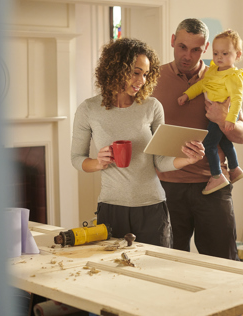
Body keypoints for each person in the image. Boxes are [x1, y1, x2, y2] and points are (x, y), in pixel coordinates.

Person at [71, 38, 205, 248]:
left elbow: (160, 161)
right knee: (113, 275)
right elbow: (76, 158)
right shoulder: (88, 109)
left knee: (155, 274)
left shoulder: (152, 106)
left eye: (145, 74)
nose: (142, 80)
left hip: (152, 207)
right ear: (116, 69)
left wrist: (187, 160)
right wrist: (98, 162)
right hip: (111, 207)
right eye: (135, 72)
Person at [152, 19, 243, 260]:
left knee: (223, 263)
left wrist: (222, 118)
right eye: (182, 47)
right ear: (173, 41)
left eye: (196, 49)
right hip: (166, 186)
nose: (188, 55)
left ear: (205, 49)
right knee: (169, 263)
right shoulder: (153, 79)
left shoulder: (222, 76)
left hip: (213, 185)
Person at [178, 29, 243, 195]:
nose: (219, 57)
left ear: (237, 55)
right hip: (216, 113)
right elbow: (202, 86)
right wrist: (187, 95)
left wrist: (228, 119)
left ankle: (217, 176)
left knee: (209, 144)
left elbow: (237, 100)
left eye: (225, 53)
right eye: (216, 53)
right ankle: (235, 168)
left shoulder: (233, 77)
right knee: (224, 143)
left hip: (225, 114)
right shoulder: (213, 71)